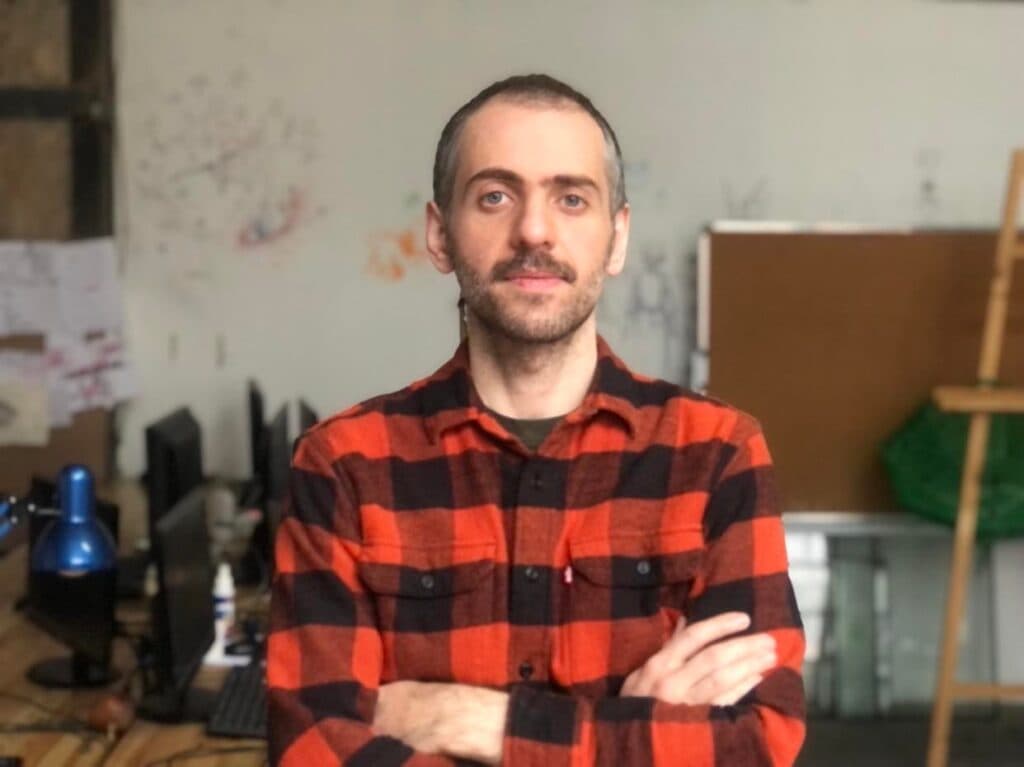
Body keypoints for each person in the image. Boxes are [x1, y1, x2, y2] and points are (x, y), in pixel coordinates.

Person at [268, 74, 805, 766]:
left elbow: (756, 743)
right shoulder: (345, 464)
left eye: (571, 198)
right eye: (495, 196)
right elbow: (311, 747)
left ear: (616, 238)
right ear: (440, 235)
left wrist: (478, 721)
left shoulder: (716, 453)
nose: (533, 230)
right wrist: (629, 731)